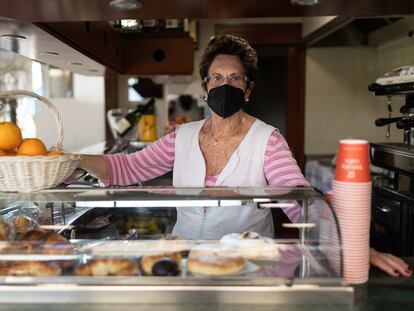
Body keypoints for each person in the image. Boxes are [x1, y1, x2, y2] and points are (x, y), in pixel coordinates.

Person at [77, 34, 410, 277]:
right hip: (187, 266)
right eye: (217, 78)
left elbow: (301, 201)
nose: (226, 85)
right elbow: (126, 167)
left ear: (248, 90)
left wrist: (356, 248)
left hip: (249, 272)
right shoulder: (182, 137)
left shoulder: (267, 141)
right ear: (205, 89)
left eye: (235, 78)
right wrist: (70, 161)